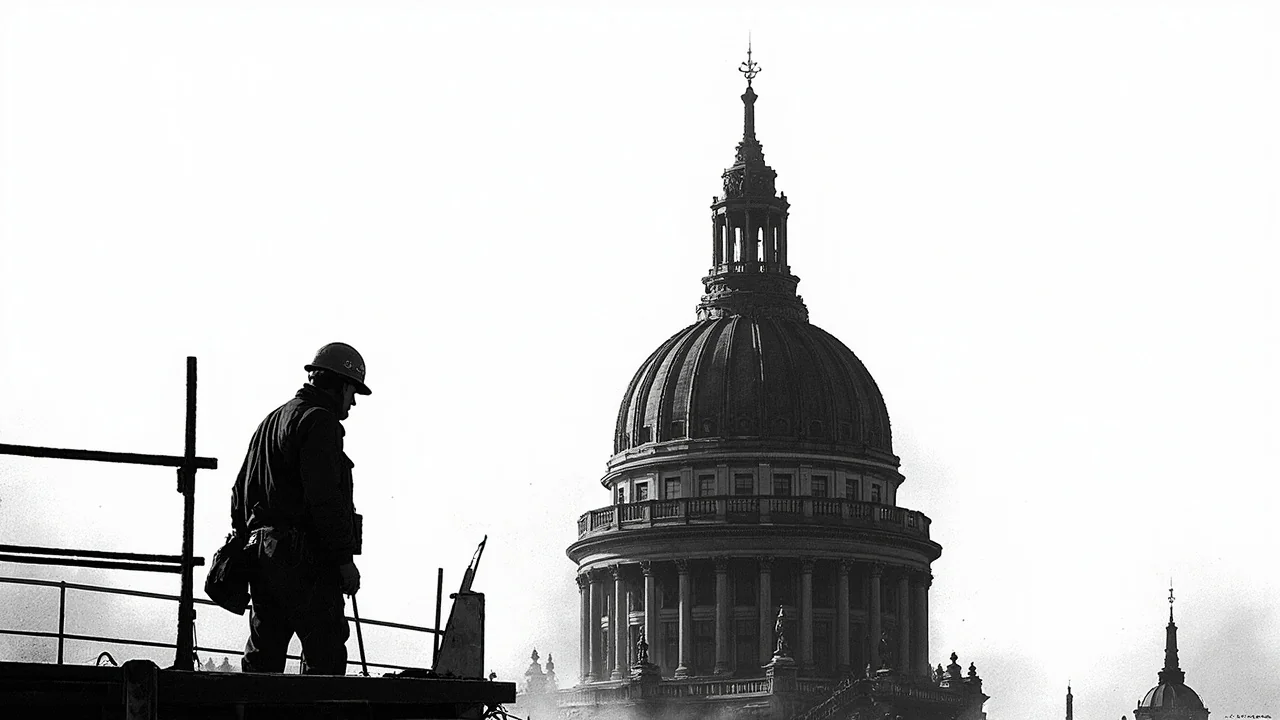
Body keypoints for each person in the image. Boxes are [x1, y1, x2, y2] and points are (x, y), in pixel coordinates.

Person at [230, 342, 371, 674]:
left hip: (262, 556)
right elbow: (325, 499)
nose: (353, 401)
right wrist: (344, 560)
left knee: (263, 660)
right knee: (325, 654)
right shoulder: (320, 422)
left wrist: (247, 541)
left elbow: (239, 494)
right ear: (338, 384)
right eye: (352, 390)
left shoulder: (270, 422)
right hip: (305, 559)